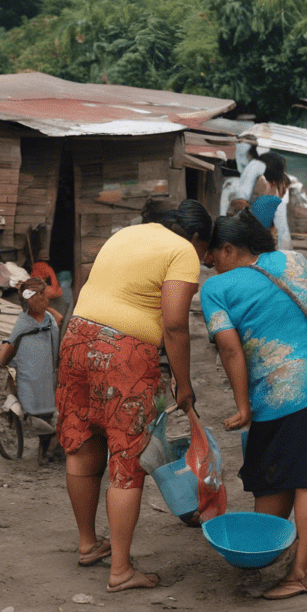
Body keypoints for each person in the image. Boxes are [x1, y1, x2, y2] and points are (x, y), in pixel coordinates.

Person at [55, 198, 213, 592]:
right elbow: (175, 324)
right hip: (123, 355)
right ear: (195, 238)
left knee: (83, 443)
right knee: (126, 461)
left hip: (76, 338)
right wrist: (184, 383)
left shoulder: (125, 233)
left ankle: (89, 543)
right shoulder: (181, 251)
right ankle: (121, 570)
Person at [201, 211, 307, 600]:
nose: (209, 264)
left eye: (211, 255)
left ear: (229, 248)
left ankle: (301, 572)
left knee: (304, 476)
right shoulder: (291, 259)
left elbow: (229, 349)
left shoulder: (215, 289)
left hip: (281, 389)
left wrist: (242, 407)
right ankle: (272, 552)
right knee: (276, 472)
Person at [0, 276, 59, 463]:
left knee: (48, 414)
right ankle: (40, 445)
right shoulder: (23, 322)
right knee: (31, 412)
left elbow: (56, 346)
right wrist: (9, 366)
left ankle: (44, 453)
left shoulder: (50, 321)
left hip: (46, 375)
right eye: (38, 296)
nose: (43, 299)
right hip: (27, 376)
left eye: (43, 295)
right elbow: (9, 348)